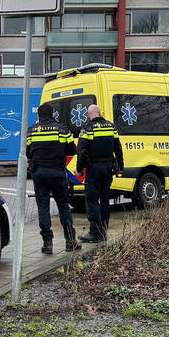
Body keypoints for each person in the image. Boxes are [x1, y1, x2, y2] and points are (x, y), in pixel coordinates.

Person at [26, 105, 81, 254]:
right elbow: (72, 150)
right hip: (57, 173)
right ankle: (70, 242)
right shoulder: (62, 129)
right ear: (52, 114)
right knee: (63, 206)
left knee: (43, 207)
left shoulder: (32, 131)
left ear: (39, 115)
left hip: (39, 174)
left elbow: (27, 152)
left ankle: (47, 244)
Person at [76, 104, 124, 243]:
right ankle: (103, 231)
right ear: (100, 113)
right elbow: (118, 148)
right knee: (104, 200)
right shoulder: (111, 127)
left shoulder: (87, 129)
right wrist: (120, 166)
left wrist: (79, 169)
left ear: (90, 114)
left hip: (94, 168)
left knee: (91, 200)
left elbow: (82, 151)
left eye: (87, 115)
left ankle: (94, 233)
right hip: (108, 168)